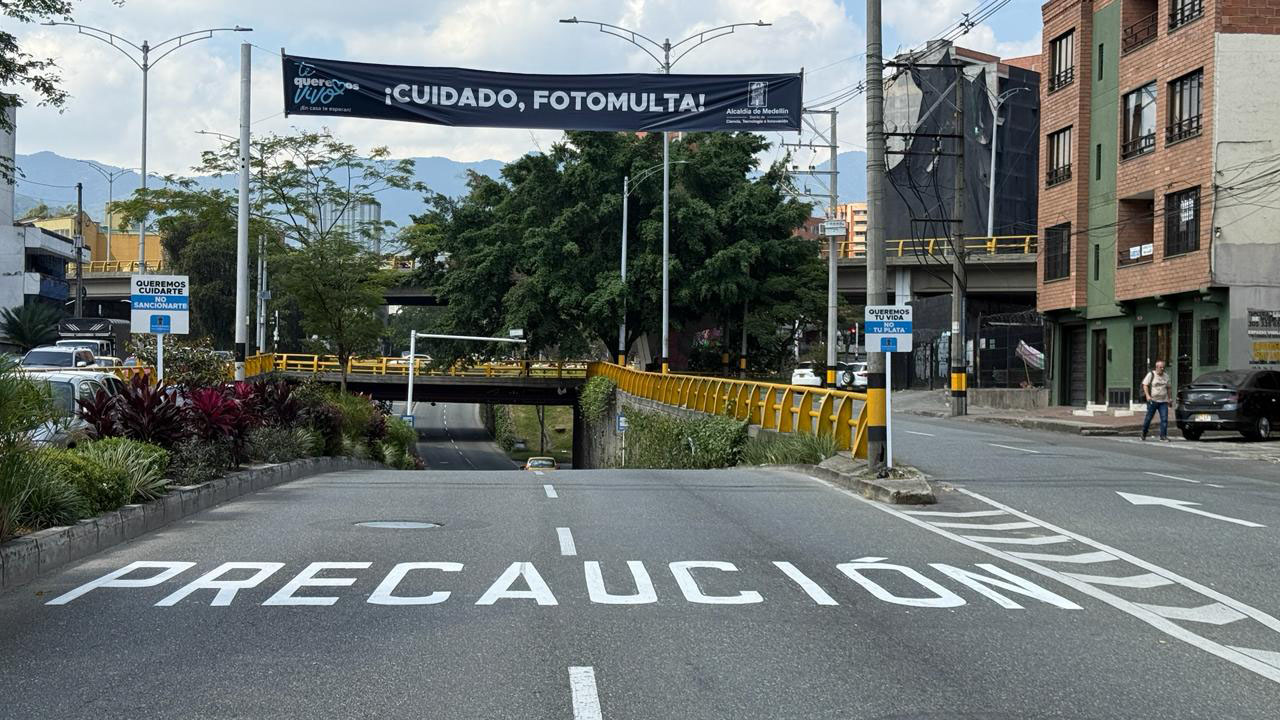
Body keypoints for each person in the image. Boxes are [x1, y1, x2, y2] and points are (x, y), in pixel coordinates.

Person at [1141, 360, 1171, 441]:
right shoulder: (1151, 374)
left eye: (1163, 367)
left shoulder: (1166, 376)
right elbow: (1145, 385)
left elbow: (1168, 388)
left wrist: (1169, 398)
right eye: (1160, 367)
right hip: (1153, 400)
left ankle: (1163, 436)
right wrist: (1147, 395)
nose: (1162, 369)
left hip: (1163, 401)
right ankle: (1144, 432)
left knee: (1164, 419)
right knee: (1148, 418)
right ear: (1156, 367)